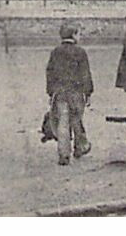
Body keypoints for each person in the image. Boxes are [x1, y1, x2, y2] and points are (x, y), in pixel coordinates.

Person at [46, 21, 95, 165]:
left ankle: (63, 154)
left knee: (62, 122)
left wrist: (50, 92)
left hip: (60, 92)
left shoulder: (55, 52)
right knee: (76, 119)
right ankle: (80, 146)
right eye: (79, 34)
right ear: (74, 36)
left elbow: (50, 72)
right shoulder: (80, 52)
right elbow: (85, 73)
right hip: (76, 92)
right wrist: (88, 92)